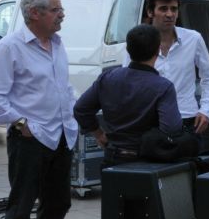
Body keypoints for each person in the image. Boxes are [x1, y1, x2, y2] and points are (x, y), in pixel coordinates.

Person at [0, 0, 78, 219]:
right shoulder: (10, 47)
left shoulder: (57, 44)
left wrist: (74, 114)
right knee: (21, 208)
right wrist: (20, 121)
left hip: (61, 136)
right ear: (35, 13)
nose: (62, 15)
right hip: (30, 139)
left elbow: (63, 88)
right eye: (56, 10)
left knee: (57, 204)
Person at [74, 24, 183, 164]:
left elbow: (81, 109)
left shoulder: (107, 78)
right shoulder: (163, 87)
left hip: (113, 156)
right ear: (158, 49)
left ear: (128, 50)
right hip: (148, 160)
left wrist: (99, 134)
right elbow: (171, 128)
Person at [143, 0, 209, 134]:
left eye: (174, 9)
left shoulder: (193, 39)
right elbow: (129, 81)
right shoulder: (139, 40)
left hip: (186, 118)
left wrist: (206, 110)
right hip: (149, 120)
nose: (170, 14)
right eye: (163, 9)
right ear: (150, 12)